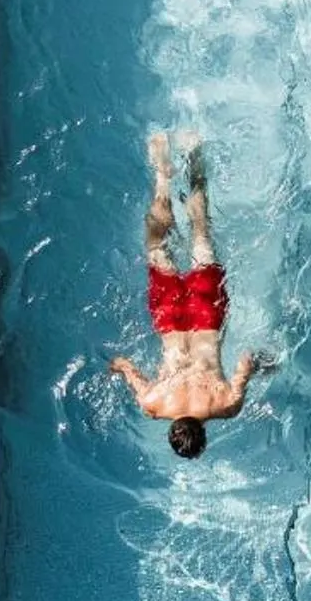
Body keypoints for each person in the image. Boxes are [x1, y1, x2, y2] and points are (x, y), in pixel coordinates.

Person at [109, 132, 257, 458]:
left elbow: (247, 361)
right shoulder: (152, 405)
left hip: (206, 317)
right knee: (157, 247)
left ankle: (193, 154)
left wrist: (265, 365)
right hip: (170, 321)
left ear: (203, 435)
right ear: (171, 432)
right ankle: (163, 176)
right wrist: (117, 368)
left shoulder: (226, 405)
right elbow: (124, 365)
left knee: (201, 234)